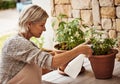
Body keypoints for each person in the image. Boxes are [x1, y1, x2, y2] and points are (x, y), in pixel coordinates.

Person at [0, 5, 92, 84]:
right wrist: (79, 50)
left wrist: (64, 58)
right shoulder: (15, 43)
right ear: (29, 24)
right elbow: (52, 63)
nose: (44, 29)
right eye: (41, 25)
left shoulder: (27, 43)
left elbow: (43, 66)